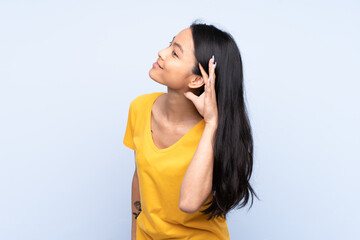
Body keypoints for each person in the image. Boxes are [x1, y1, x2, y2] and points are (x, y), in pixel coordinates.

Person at [123, 20, 258, 240]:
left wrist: (212, 124)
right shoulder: (140, 108)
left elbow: (189, 202)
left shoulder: (213, 134)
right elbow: (139, 178)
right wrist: (134, 234)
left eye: (175, 53)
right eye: (170, 44)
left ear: (196, 79)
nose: (162, 52)